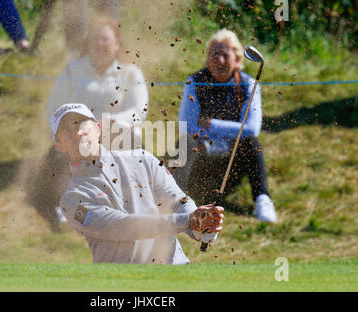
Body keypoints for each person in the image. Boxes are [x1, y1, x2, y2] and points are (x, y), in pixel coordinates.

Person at [50, 103, 224, 264]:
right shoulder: (72, 199)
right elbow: (121, 227)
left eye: (82, 124)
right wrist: (186, 221)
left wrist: (201, 225)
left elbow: (178, 202)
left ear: (98, 129)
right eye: (67, 130)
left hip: (175, 271)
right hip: (123, 283)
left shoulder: (142, 159)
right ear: (59, 145)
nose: (78, 133)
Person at [35, 16, 148, 226]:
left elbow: (139, 110)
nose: (100, 44)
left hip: (116, 134)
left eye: (106, 39)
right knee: (62, 156)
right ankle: (66, 208)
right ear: (88, 42)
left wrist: (109, 122)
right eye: (96, 39)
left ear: (117, 44)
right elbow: (54, 107)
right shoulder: (72, 70)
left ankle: (124, 208)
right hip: (77, 134)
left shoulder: (131, 73)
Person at [176, 29, 277, 223]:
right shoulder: (194, 81)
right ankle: (175, 200)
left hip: (231, 164)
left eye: (225, 55)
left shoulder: (248, 84)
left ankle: (263, 200)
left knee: (251, 143)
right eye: (215, 55)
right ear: (207, 58)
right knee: (185, 143)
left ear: (237, 60)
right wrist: (219, 139)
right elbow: (187, 127)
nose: (220, 61)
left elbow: (251, 129)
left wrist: (213, 126)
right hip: (201, 162)